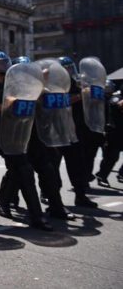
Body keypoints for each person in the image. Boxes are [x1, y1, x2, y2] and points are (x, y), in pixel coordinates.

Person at [0, 51, 52, 231]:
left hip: (13, 134)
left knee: (23, 171)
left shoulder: (15, 84)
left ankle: (36, 216)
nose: (2, 67)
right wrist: (6, 104)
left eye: (4, 63)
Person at [56, 56, 98, 208]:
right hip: (58, 130)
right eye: (65, 68)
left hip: (75, 130)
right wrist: (81, 96)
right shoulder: (53, 84)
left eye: (69, 67)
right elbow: (59, 101)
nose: (68, 71)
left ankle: (80, 195)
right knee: (52, 167)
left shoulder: (75, 83)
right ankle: (51, 197)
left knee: (77, 165)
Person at [95, 80, 122, 186]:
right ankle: (102, 176)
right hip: (114, 133)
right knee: (112, 157)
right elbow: (118, 105)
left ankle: (121, 174)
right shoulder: (115, 98)